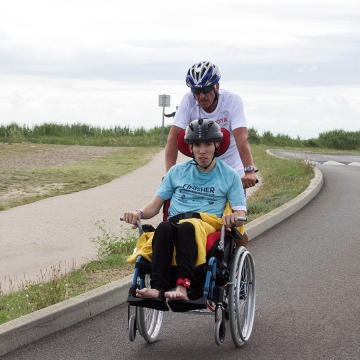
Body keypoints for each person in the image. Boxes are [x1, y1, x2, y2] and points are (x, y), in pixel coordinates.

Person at [123, 118, 246, 311]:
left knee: (189, 226)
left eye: (207, 144)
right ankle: (157, 289)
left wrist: (234, 217)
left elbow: (240, 213)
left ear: (216, 145)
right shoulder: (176, 172)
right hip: (175, 222)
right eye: (197, 145)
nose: (202, 150)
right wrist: (137, 213)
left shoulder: (230, 176)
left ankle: (183, 287)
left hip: (204, 224)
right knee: (163, 227)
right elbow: (155, 206)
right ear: (190, 148)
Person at [165, 61, 257, 248]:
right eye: (196, 91)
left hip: (231, 171)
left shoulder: (231, 101)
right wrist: (169, 173)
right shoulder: (188, 101)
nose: (201, 96)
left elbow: (241, 138)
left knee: (233, 229)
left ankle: (238, 268)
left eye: (206, 90)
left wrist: (248, 171)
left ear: (217, 86)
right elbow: (173, 139)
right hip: (202, 168)